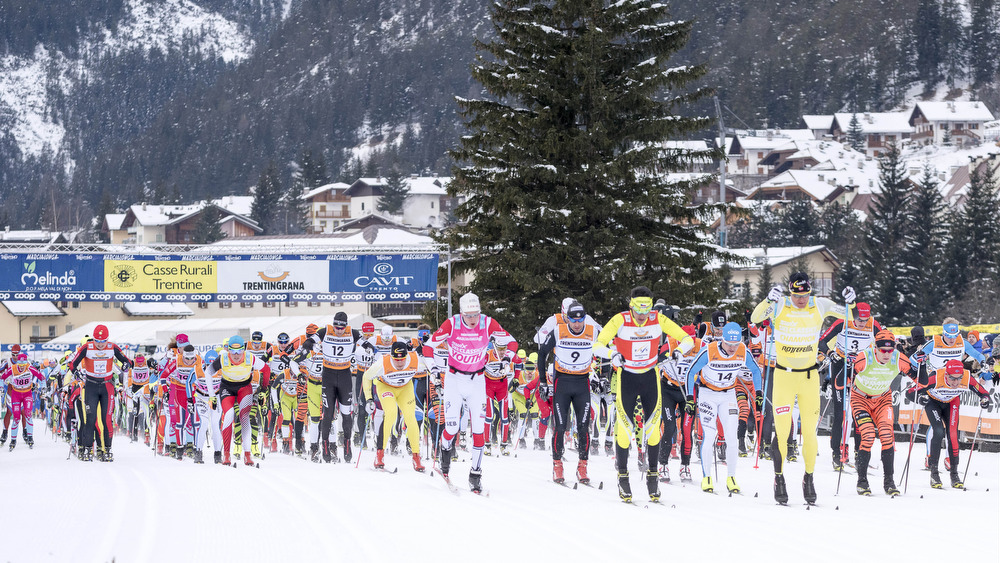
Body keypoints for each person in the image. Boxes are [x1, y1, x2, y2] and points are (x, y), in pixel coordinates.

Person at [750, 273, 854, 505]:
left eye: (805, 295)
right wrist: (768, 300)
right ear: (790, 292)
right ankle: (779, 478)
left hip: (809, 378)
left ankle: (809, 478)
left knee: (809, 432)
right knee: (784, 430)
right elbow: (757, 317)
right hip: (784, 377)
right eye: (797, 296)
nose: (801, 300)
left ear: (810, 291)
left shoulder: (819, 304)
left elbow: (848, 315)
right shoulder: (779, 305)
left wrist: (851, 301)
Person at [597, 286, 694, 503]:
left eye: (647, 309)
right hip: (627, 378)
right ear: (630, 305)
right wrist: (612, 354)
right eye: (638, 309)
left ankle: (653, 476)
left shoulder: (658, 319)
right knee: (624, 429)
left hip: (650, 377)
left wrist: (678, 351)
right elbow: (597, 345)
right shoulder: (620, 320)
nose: (642, 315)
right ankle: (623, 476)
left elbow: (687, 339)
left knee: (653, 430)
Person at [429, 292, 514, 493]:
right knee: (451, 428)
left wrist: (506, 360)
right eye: (468, 316)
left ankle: (475, 473)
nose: (473, 319)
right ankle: (445, 450)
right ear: (461, 313)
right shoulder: (452, 323)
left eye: (476, 314)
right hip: (454, 379)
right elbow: (428, 347)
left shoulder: (488, 323)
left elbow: (512, 342)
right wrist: (433, 368)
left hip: (477, 380)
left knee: (478, 431)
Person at [684, 322, 762, 493]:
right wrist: (690, 397)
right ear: (722, 340)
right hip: (708, 393)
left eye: (736, 344)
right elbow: (690, 372)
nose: (733, 348)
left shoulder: (742, 350)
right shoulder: (709, 350)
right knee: (710, 434)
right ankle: (707, 477)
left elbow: (756, 371)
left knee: (731, 437)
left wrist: (759, 394)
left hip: (728, 394)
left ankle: (731, 477)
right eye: (729, 344)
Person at [537, 301, 609, 484]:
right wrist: (543, 382)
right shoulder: (559, 331)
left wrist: (603, 377)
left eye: (580, 319)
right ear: (567, 318)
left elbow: (605, 351)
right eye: (573, 319)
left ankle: (582, 466)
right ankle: (557, 465)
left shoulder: (592, 331)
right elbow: (542, 353)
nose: (577, 324)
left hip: (582, 383)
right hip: (562, 382)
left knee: (584, 426)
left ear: (585, 318)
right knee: (561, 427)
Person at [300, 312, 373, 463]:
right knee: (328, 413)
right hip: (328, 376)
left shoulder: (352, 332)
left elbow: (365, 342)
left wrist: (370, 348)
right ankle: (325, 444)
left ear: (346, 325)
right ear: (333, 324)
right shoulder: (325, 331)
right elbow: (309, 341)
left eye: (342, 327)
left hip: (345, 376)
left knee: (347, 413)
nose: (339, 330)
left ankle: (347, 444)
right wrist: (309, 346)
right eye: (337, 326)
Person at [818, 302, 883, 471]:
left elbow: (885, 343)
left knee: (860, 413)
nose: (862, 323)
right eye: (859, 319)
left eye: (865, 319)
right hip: (841, 366)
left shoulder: (873, 325)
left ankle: (859, 453)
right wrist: (830, 354)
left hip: (861, 368)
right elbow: (822, 341)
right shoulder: (842, 322)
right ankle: (836, 454)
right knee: (840, 413)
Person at [850, 330, 915, 496]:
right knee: (868, 434)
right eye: (883, 350)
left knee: (887, 436)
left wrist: (919, 365)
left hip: (883, 399)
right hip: (860, 399)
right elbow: (842, 380)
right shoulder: (865, 358)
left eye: (890, 350)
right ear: (875, 348)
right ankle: (862, 481)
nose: (887, 354)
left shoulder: (898, 358)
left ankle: (889, 482)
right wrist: (848, 366)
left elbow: (921, 379)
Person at [910, 359, 991, 489]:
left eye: (959, 378)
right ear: (946, 374)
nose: (956, 382)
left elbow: (983, 393)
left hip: (952, 403)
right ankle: (934, 473)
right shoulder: (935, 377)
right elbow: (910, 392)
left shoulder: (967, 378)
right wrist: (921, 398)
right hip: (933, 402)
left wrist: (985, 399)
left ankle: (954, 474)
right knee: (938, 431)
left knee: (953, 435)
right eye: (953, 378)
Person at [69, 325, 133, 461]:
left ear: (107, 339)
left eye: (103, 341)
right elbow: (72, 364)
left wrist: (126, 365)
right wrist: (76, 372)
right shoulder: (87, 348)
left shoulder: (112, 347)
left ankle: (107, 450)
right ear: (93, 339)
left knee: (106, 420)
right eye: (97, 341)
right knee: (90, 420)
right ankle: (87, 449)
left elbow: (127, 361)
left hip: (107, 387)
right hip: (91, 387)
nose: (100, 344)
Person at [361, 341, 427, 471]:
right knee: (390, 414)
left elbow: (432, 365)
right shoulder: (382, 362)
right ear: (391, 357)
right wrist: (368, 398)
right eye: (396, 360)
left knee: (411, 418)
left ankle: (416, 457)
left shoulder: (415, 360)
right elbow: (366, 376)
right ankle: (379, 455)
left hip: (405, 388)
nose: (400, 363)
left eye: (402, 359)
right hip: (386, 387)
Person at [205, 335, 271, 466]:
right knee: (229, 415)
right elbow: (208, 373)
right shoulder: (223, 358)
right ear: (228, 350)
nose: (236, 355)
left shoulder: (249, 357)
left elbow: (266, 370)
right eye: (232, 351)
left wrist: (263, 390)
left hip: (244, 387)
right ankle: (227, 455)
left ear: (243, 350)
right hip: (227, 388)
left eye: (239, 351)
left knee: (244, 416)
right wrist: (212, 395)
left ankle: (247, 455)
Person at [0, 354, 45, 450]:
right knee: (16, 418)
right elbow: (2, 377)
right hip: (16, 395)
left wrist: (43, 387)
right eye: (19, 364)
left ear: (26, 362)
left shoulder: (30, 367)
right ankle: (13, 440)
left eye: (24, 363)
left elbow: (41, 377)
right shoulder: (12, 368)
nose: (21, 366)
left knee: (28, 414)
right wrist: (1, 387)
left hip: (27, 395)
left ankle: (30, 437)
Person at [189, 349, 223, 463]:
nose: (211, 368)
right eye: (208, 365)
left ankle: (218, 454)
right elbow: (188, 382)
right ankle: (198, 453)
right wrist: (189, 399)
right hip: (201, 398)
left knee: (214, 424)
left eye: (213, 365)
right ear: (204, 362)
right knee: (203, 423)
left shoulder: (221, 370)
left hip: (216, 397)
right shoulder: (197, 369)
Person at [352, 321, 378, 446]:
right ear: (362, 333)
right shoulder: (357, 343)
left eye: (371, 333)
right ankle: (362, 438)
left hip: (374, 377)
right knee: (361, 409)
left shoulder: (376, 342)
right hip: (361, 376)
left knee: (377, 408)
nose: (368, 336)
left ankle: (378, 437)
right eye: (366, 334)